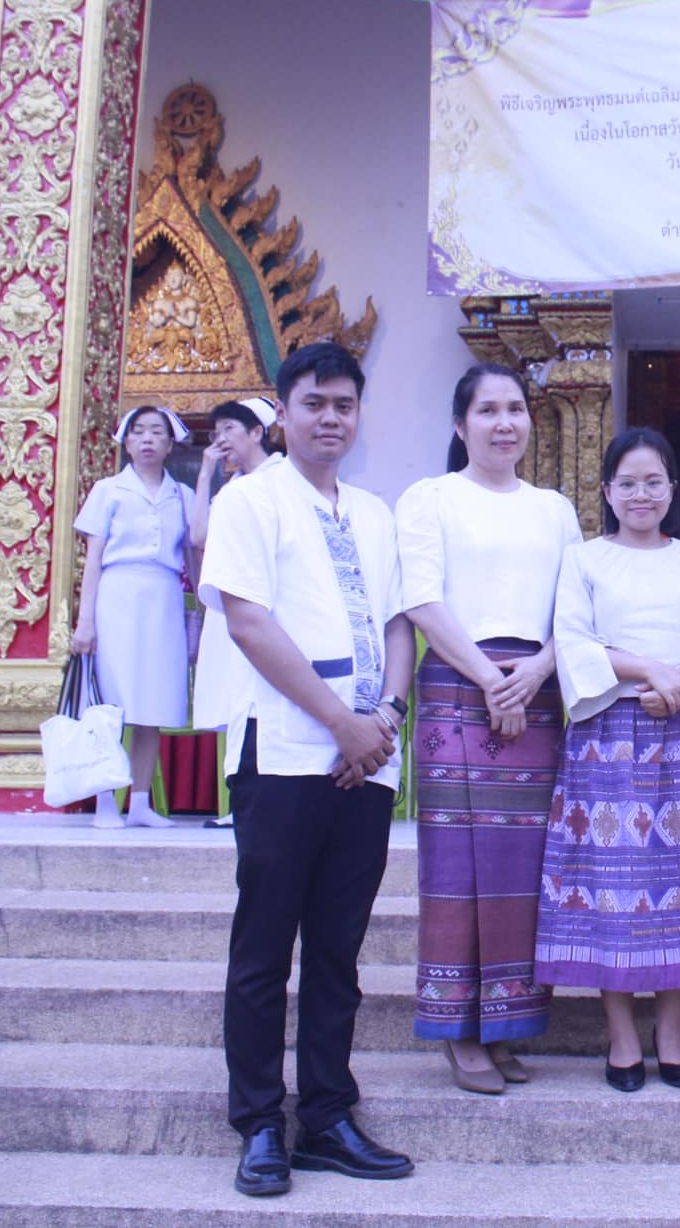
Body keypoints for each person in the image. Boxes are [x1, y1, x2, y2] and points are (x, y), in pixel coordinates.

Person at [202, 342, 415, 1195]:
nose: (331, 417)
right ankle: (259, 1123)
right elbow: (249, 624)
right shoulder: (250, 502)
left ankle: (326, 1114)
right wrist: (341, 724)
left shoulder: (373, 512)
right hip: (284, 752)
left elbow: (402, 624)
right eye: (315, 402)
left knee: (338, 951)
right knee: (265, 948)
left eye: (345, 405)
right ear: (282, 413)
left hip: (368, 763)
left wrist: (386, 718)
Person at [536, 427, 680, 1092]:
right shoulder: (586, 559)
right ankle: (622, 1038)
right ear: (605, 491)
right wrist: (649, 672)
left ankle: (672, 1034)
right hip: (608, 739)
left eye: (653, 481)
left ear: (671, 490)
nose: (640, 493)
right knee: (613, 888)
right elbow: (572, 638)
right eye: (627, 482)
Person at [397, 362, 582, 1095]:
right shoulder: (430, 499)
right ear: (460, 424)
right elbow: (421, 598)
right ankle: (459, 1027)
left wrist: (534, 673)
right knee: (458, 869)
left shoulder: (554, 510)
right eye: (488, 410)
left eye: (515, 409)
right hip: (456, 684)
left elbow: (574, 612)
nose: (504, 423)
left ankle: (506, 1021)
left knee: (521, 871)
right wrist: (488, 677)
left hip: (535, 693)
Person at [70, 406, 195, 829]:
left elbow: (194, 555)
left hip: (162, 597)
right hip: (118, 595)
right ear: (125, 442)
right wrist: (85, 620)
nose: (147, 439)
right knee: (111, 701)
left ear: (169, 443)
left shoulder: (183, 495)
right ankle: (106, 799)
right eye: (138, 432)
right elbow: (93, 560)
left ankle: (139, 801)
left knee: (152, 702)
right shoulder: (109, 490)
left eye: (156, 432)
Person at [191, 398, 284, 800]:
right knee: (234, 698)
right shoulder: (234, 486)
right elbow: (198, 538)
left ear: (257, 432)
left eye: (229, 429)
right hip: (229, 602)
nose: (221, 439)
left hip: (265, 606)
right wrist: (206, 473)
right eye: (216, 433)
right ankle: (236, 798)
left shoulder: (280, 479)